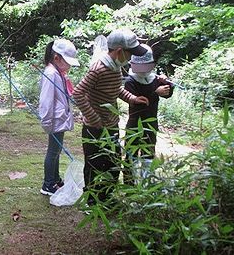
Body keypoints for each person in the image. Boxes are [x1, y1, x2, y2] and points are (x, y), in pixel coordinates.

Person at [72, 28, 149, 205]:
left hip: (111, 125)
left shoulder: (116, 67)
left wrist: (133, 98)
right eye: (130, 54)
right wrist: (93, 118)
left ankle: (106, 198)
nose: (132, 58)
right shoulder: (99, 69)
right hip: (95, 129)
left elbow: (117, 89)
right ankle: (92, 201)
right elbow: (77, 93)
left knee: (113, 164)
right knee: (94, 165)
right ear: (120, 51)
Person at [123, 44, 173, 184]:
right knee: (131, 155)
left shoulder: (154, 78)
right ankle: (129, 185)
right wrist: (154, 92)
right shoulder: (130, 80)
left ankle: (146, 184)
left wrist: (166, 82)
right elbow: (136, 101)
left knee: (148, 155)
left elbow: (167, 93)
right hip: (134, 124)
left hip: (151, 123)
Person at [39, 39, 80, 196]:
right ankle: (48, 183)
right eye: (67, 62)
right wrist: (47, 121)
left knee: (56, 151)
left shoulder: (58, 73)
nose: (69, 66)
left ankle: (55, 179)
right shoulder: (51, 73)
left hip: (59, 119)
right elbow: (46, 100)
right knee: (53, 151)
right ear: (56, 58)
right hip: (54, 120)